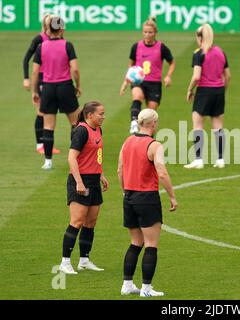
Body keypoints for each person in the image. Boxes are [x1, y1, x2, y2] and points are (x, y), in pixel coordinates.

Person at [117, 108, 177, 297]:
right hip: (147, 198)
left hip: (129, 197)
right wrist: (172, 196)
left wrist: (124, 190)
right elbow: (162, 172)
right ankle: (146, 289)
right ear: (152, 124)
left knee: (135, 242)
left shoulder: (127, 141)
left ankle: (127, 284)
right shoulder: (154, 145)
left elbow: (120, 169)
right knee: (151, 244)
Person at [59, 101, 108, 275]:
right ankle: (65, 262)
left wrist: (100, 174)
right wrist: (79, 182)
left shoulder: (98, 129)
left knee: (91, 222)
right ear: (90, 115)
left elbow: (96, 154)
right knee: (77, 221)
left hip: (94, 180)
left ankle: (84, 260)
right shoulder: (81, 131)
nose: (103, 116)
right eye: (101, 113)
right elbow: (72, 158)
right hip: (80, 181)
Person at [32, 16, 81, 170]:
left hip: (47, 88)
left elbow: (35, 72)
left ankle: (48, 161)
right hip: (65, 86)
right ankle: (76, 157)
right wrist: (78, 85)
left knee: (48, 126)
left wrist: (35, 91)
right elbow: (75, 69)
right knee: (76, 123)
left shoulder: (42, 46)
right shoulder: (67, 45)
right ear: (62, 28)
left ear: (48, 29)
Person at [184, 23, 231, 169]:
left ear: (199, 37)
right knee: (218, 126)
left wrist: (189, 89)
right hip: (218, 91)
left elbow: (196, 76)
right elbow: (228, 76)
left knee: (198, 124)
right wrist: (223, 89)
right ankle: (220, 159)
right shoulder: (220, 52)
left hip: (204, 91)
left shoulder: (199, 53)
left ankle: (198, 159)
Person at [120, 16, 176, 134]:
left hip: (154, 84)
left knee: (150, 117)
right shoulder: (136, 46)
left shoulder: (162, 47)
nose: (147, 35)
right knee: (137, 97)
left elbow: (172, 62)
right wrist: (126, 81)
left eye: (150, 32)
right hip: (138, 81)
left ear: (155, 33)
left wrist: (168, 76)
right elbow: (131, 65)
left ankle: (149, 144)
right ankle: (134, 123)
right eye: (145, 32)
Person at [22, 13, 60, 155]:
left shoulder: (57, 39)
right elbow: (26, 59)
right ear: (45, 24)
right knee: (41, 112)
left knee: (49, 113)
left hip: (53, 80)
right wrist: (26, 78)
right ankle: (40, 144)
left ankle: (47, 143)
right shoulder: (39, 39)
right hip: (41, 79)